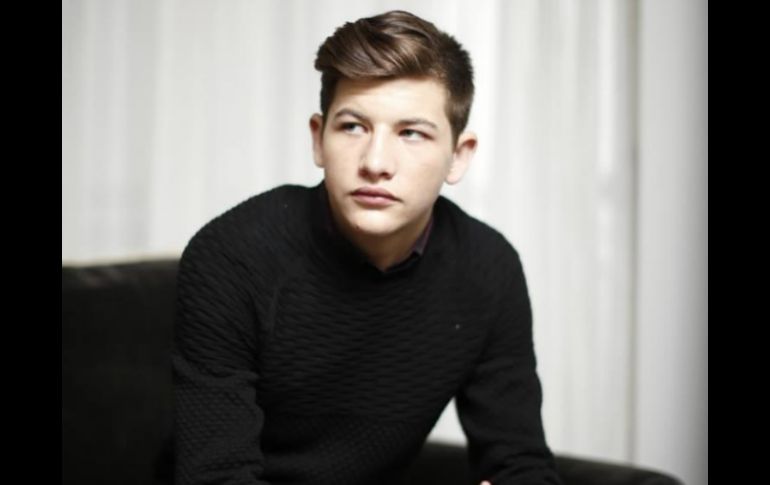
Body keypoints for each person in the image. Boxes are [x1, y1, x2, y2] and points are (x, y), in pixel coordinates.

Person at [172, 10, 562, 485]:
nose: (376, 163)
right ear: (319, 139)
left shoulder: (488, 268)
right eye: (353, 127)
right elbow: (215, 478)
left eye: (411, 133)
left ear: (458, 157)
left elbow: (520, 463)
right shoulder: (231, 258)